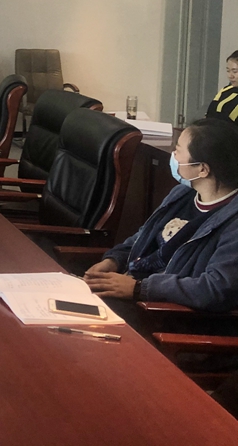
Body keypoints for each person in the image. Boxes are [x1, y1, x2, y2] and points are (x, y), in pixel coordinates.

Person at [84, 118, 238, 313]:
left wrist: (140, 288)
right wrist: (113, 261)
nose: (173, 155)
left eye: (178, 150)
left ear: (202, 169)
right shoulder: (181, 194)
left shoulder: (233, 222)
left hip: (164, 313)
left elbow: (215, 288)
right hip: (134, 293)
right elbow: (143, 237)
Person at [206, 49, 238, 124]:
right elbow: (210, 113)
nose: (230, 76)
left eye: (235, 71)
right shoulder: (225, 90)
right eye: (228, 71)